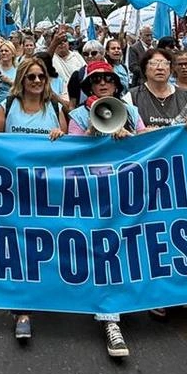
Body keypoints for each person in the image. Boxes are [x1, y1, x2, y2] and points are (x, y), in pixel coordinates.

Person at [67, 60, 144, 358]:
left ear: (115, 84)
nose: (102, 84)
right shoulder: (76, 115)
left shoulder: (131, 112)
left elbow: (151, 144)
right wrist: (90, 132)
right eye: (96, 80)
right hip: (92, 194)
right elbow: (69, 156)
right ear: (88, 85)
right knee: (104, 254)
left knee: (128, 249)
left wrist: (130, 138)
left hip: (125, 193)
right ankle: (110, 318)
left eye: (108, 79)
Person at [0, 56, 67, 342]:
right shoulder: (6, 106)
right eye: (31, 77)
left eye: (41, 77)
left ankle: (49, 294)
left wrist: (63, 136)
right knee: (20, 248)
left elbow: (69, 149)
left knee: (46, 242)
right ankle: (23, 311)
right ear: (21, 79)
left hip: (46, 190)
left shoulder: (55, 108)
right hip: (14, 190)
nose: (36, 81)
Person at [128, 48, 187, 130]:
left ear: (171, 69)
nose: (160, 68)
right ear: (144, 69)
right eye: (154, 63)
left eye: (165, 63)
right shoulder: (131, 97)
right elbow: (124, 134)